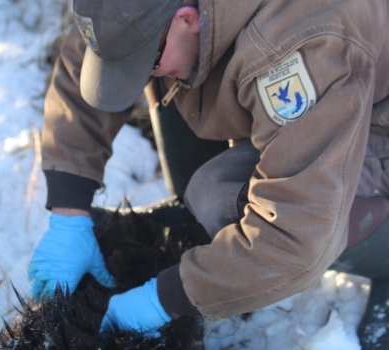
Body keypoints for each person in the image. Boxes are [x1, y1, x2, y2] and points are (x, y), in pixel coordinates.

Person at [28, 0, 389, 347]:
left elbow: (298, 231)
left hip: (373, 120)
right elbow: (107, 41)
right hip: (315, 81)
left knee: (217, 196)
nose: (146, 71)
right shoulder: (148, 13)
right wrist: (68, 211)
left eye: (148, 59)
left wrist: (164, 300)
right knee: (161, 65)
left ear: (187, 19)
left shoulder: (305, 43)